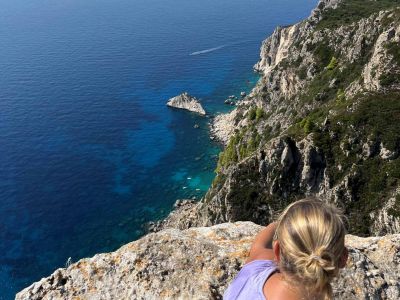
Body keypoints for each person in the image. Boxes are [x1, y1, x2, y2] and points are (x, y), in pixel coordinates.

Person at [223, 198, 348, 300]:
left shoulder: (254, 271)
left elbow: (260, 243)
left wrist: (285, 223)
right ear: (343, 258)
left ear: (277, 251)